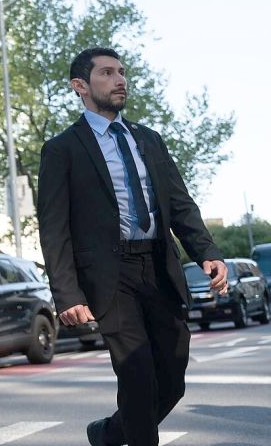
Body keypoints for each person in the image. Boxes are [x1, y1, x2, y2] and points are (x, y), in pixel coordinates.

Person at [37, 47, 228, 446]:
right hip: (110, 277)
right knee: (137, 374)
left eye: (122, 72)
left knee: (172, 379)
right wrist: (67, 293)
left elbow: (179, 204)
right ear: (80, 86)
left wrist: (207, 252)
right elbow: (53, 229)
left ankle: (109, 433)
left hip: (159, 268)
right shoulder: (63, 149)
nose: (120, 79)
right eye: (107, 73)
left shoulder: (149, 141)